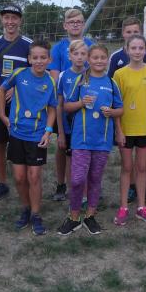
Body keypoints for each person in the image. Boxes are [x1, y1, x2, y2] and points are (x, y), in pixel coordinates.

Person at [57, 44, 124, 236]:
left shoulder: (111, 83)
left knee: (95, 178)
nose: (99, 61)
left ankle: (90, 216)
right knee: (77, 179)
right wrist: (81, 103)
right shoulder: (80, 80)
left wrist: (112, 112)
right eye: (95, 57)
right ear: (89, 60)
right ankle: (73, 217)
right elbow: (67, 106)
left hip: (102, 139)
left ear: (107, 59)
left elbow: (121, 109)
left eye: (103, 57)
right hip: (81, 139)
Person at [0, 39, 58, 236]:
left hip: (37, 135)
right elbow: (2, 89)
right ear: (29, 59)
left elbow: (52, 108)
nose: (39, 61)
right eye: (35, 57)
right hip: (17, 133)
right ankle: (25, 208)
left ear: (49, 60)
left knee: (34, 176)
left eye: (43, 57)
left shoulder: (50, 82)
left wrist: (48, 131)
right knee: (19, 177)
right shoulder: (19, 74)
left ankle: (36, 214)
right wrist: (2, 115)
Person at [113, 34, 146, 225]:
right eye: (133, 48)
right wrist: (118, 130)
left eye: (141, 48)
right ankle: (123, 207)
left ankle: (141, 207)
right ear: (127, 50)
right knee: (127, 168)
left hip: (145, 129)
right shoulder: (119, 74)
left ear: (145, 50)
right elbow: (116, 104)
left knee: (141, 167)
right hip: (126, 129)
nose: (137, 51)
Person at [0, 4, 33, 201]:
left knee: (21, 142)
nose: (10, 22)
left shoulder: (28, 44)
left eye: (14, 18)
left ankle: (25, 180)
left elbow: (33, 72)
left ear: (20, 20)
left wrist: (17, 89)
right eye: (7, 18)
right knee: (0, 142)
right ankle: (2, 183)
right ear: (2, 20)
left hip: (22, 102)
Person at [108, 16, 146, 204]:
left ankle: (143, 187)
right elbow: (112, 89)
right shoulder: (116, 59)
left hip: (145, 121)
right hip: (126, 121)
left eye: (136, 32)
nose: (132, 35)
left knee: (145, 160)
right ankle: (129, 189)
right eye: (129, 32)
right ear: (123, 34)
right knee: (127, 163)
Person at [49, 9, 94, 201]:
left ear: (83, 24)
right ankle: (62, 184)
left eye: (79, 21)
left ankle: (86, 187)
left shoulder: (91, 45)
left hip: (87, 107)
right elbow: (55, 78)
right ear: (65, 25)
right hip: (65, 106)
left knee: (85, 148)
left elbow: (97, 73)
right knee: (63, 147)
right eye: (72, 22)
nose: (75, 24)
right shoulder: (58, 48)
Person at [54, 40, 88, 202]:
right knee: (70, 158)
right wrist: (60, 132)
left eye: (83, 53)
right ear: (69, 56)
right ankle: (72, 191)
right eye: (76, 54)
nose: (79, 57)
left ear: (87, 56)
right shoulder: (63, 75)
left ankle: (86, 192)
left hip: (87, 127)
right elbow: (59, 105)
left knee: (85, 159)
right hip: (68, 128)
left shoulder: (92, 74)